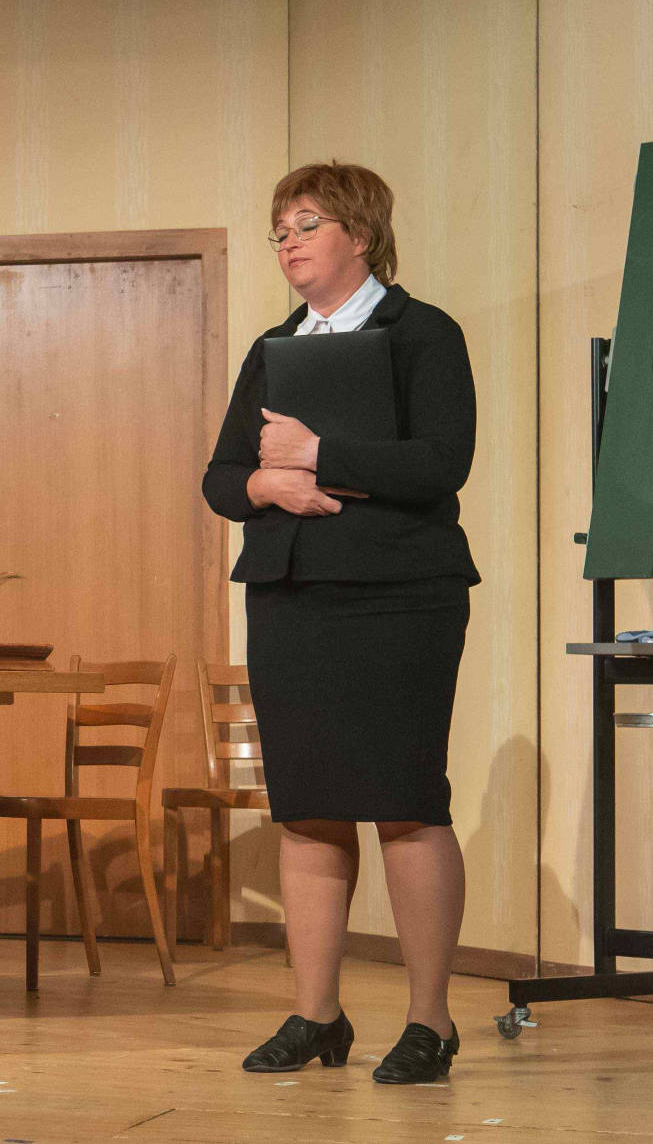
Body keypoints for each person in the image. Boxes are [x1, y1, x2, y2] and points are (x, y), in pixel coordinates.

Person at [202, 162, 478, 1085]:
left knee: (405, 799)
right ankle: (317, 1013)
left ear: (360, 235)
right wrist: (265, 483)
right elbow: (220, 477)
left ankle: (430, 1021)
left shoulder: (423, 333)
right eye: (279, 229)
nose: (288, 241)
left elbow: (443, 460)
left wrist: (321, 453)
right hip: (292, 593)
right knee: (308, 805)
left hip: (401, 594)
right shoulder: (274, 347)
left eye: (307, 224)